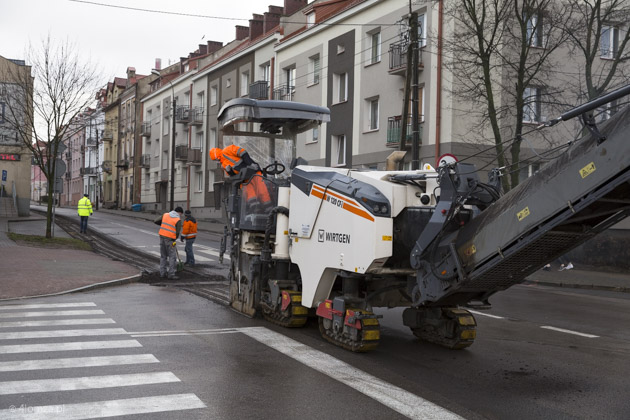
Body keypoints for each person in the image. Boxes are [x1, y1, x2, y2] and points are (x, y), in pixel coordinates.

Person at [209, 145, 271, 212]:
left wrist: (250, 164)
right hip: (243, 178)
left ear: (217, 156)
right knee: (250, 193)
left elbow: (242, 152)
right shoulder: (223, 165)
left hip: (253, 171)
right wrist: (229, 171)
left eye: (216, 159)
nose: (217, 160)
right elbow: (232, 175)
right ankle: (256, 209)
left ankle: (269, 209)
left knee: (261, 189)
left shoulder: (227, 150)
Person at [154, 207, 184, 279]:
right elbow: (177, 232)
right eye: (181, 214)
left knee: (163, 256)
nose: (181, 215)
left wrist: (163, 224)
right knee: (172, 256)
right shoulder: (177, 219)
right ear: (179, 212)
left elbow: (156, 221)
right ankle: (171, 274)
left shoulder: (165, 215)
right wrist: (174, 239)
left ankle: (162, 273)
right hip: (170, 239)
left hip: (162, 237)